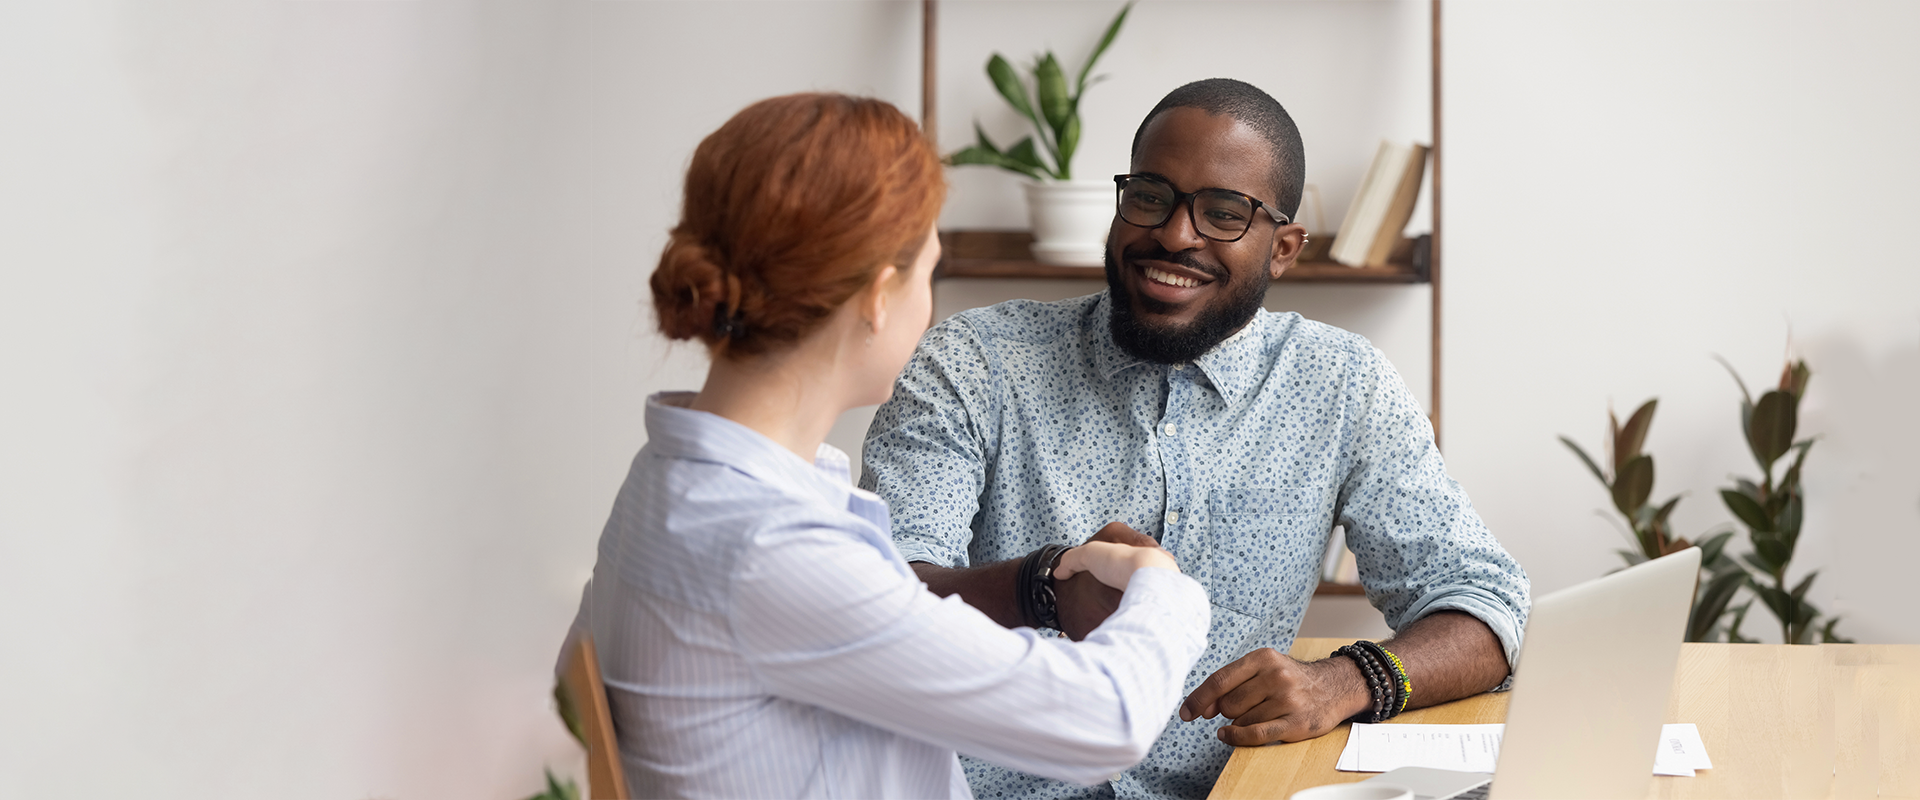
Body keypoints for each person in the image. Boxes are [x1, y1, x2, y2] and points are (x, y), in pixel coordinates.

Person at [860, 79, 1531, 799]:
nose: (1176, 235)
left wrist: (1343, 682)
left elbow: (1486, 603)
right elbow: (875, 595)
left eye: (1224, 213)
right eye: (1150, 196)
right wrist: (1042, 585)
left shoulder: (1343, 386)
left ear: (1284, 249)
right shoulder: (973, 362)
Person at [561, 92, 1215, 799]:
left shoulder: (676, 481)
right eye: (927, 273)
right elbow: (1104, 722)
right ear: (878, 296)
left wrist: (1048, 584)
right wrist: (1167, 590)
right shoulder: (770, 544)